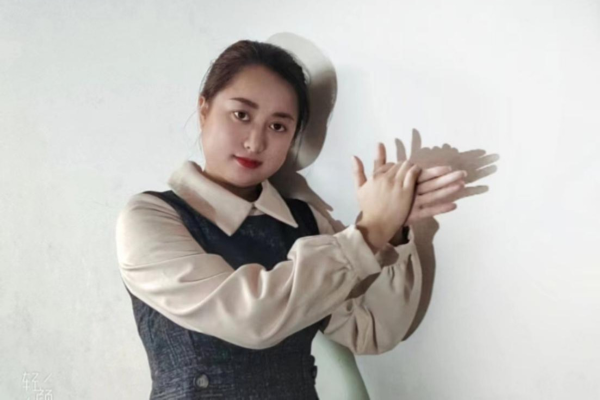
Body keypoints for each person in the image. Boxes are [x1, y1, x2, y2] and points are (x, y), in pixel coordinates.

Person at [115, 39, 443, 399]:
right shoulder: (151, 218)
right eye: (241, 115)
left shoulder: (305, 223)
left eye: (278, 126)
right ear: (204, 109)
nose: (255, 142)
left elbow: (371, 330)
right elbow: (249, 317)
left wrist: (393, 230)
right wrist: (371, 231)